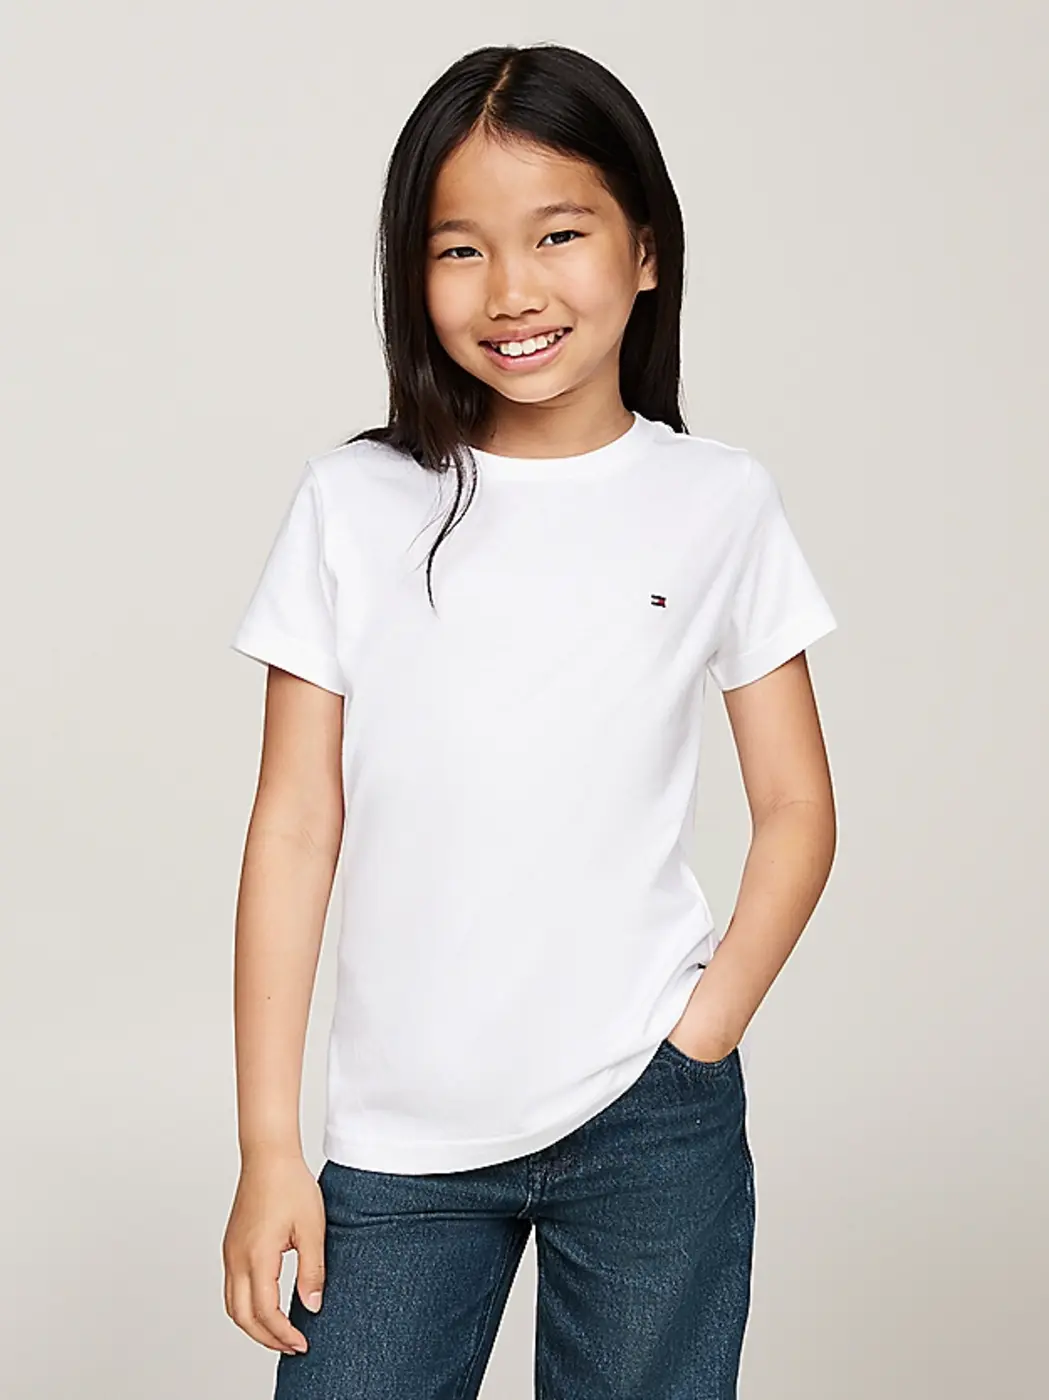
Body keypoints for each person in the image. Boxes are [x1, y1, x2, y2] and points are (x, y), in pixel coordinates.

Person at [221, 41, 839, 1400]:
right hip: (402, 1139)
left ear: (646, 251)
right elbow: (294, 824)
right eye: (460, 249)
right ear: (412, 273)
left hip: (650, 1116)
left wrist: (702, 1035)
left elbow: (798, 805)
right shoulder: (351, 506)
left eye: (559, 234)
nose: (512, 290)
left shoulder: (719, 501)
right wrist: (271, 1145)